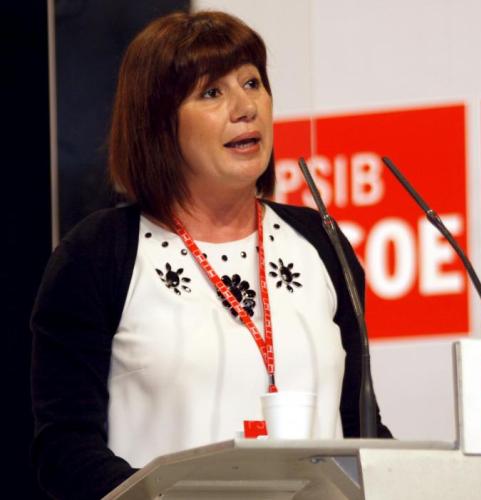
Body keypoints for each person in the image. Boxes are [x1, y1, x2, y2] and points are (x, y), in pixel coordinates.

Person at [30, 10, 391, 499]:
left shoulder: (319, 241)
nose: (245, 107)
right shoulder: (98, 254)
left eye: (252, 83)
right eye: (212, 93)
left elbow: (362, 430)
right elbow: (65, 451)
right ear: (158, 123)